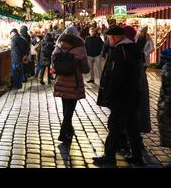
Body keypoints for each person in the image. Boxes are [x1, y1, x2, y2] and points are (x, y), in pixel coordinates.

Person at [93, 26, 144, 166]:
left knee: (115, 126)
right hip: (132, 95)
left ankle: (109, 156)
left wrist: (110, 95)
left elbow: (116, 77)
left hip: (122, 97)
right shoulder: (130, 49)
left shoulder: (120, 52)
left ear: (114, 38)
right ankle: (137, 156)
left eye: (109, 38)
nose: (108, 40)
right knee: (132, 127)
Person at [52, 26, 90, 145]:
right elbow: (85, 67)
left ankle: (69, 130)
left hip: (61, 80)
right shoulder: (80, 47)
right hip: (74, 81)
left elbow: (53, 60)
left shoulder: (59, 44)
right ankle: (63, 133)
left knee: (65, 107)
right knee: (70, 109)